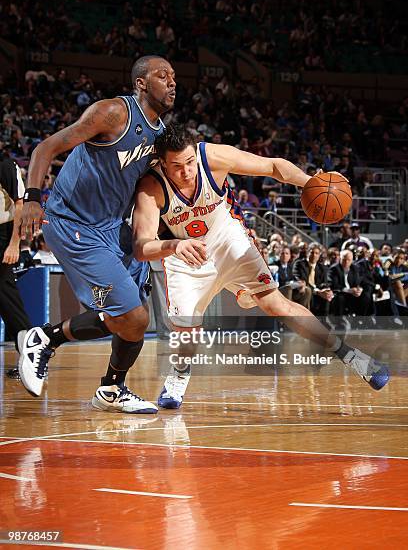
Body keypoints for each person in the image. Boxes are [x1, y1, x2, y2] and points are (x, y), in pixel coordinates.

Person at [133, 125, 389, 409]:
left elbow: (273, 166)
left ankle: (350, 355)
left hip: (225, 237)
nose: (187, 172)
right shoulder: (150, 187)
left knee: (276, 305)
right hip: (184, 253)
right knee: (187, 330)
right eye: (177, 166)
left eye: (190, 162)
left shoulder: (213, 157)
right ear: (162, 163)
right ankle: (180, 373)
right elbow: (141, 246)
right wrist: (173, 246)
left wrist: (310, 183)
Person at [17, 55, 176, 413]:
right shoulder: (113, 113)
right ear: (140, 83)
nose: (172, 82)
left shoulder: (160, 136)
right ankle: (45, 338)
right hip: (73, 223)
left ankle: (110, 389)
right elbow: (46, 148)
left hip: (112, 227)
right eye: (162, 75)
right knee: (134, 318)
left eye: (174, 76)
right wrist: (32, 198)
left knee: (129, 320)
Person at [0, 147, 31, 377]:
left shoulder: (6, 165)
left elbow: (20, 206)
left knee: (7, 299)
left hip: (3, 235)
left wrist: (14, 244)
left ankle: (31, 357)